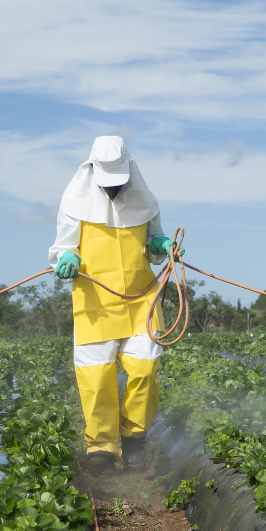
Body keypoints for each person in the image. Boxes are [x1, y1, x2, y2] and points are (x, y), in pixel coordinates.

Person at [49, 135, 182, 472]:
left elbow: (153, 246)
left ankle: (135, 437)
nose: (113, 190)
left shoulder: (145, 200)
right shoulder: (74, 201)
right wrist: (66, 258)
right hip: (95, 302)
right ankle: (102, 447)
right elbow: (62, 247)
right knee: (96, 378)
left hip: (141, 300)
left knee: (146, 369)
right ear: (92, 171)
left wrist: (161, 244)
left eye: (118, 183)